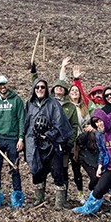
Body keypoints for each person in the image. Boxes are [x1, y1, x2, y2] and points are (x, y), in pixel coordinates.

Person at [24, 77, 73, 208]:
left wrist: (48, 135)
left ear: (46, 89)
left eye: (42, 87)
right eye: (37, 87)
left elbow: (60, 124)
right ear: (34, 89)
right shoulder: (30, 104)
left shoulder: (54, 104)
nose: (40, 89)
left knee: (57, 171)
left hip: (52, 144)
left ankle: (59, 202)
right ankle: (39, 198)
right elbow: (27, 124)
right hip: (35, 144)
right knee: (37, 170)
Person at [0, 75, 25, 202]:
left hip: (12, 139)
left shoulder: (16, 100)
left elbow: (22, 119)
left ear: (7, 84)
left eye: (4, 84)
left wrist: (21, 138)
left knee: (14, 168)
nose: (2, 87)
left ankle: (17, 196)